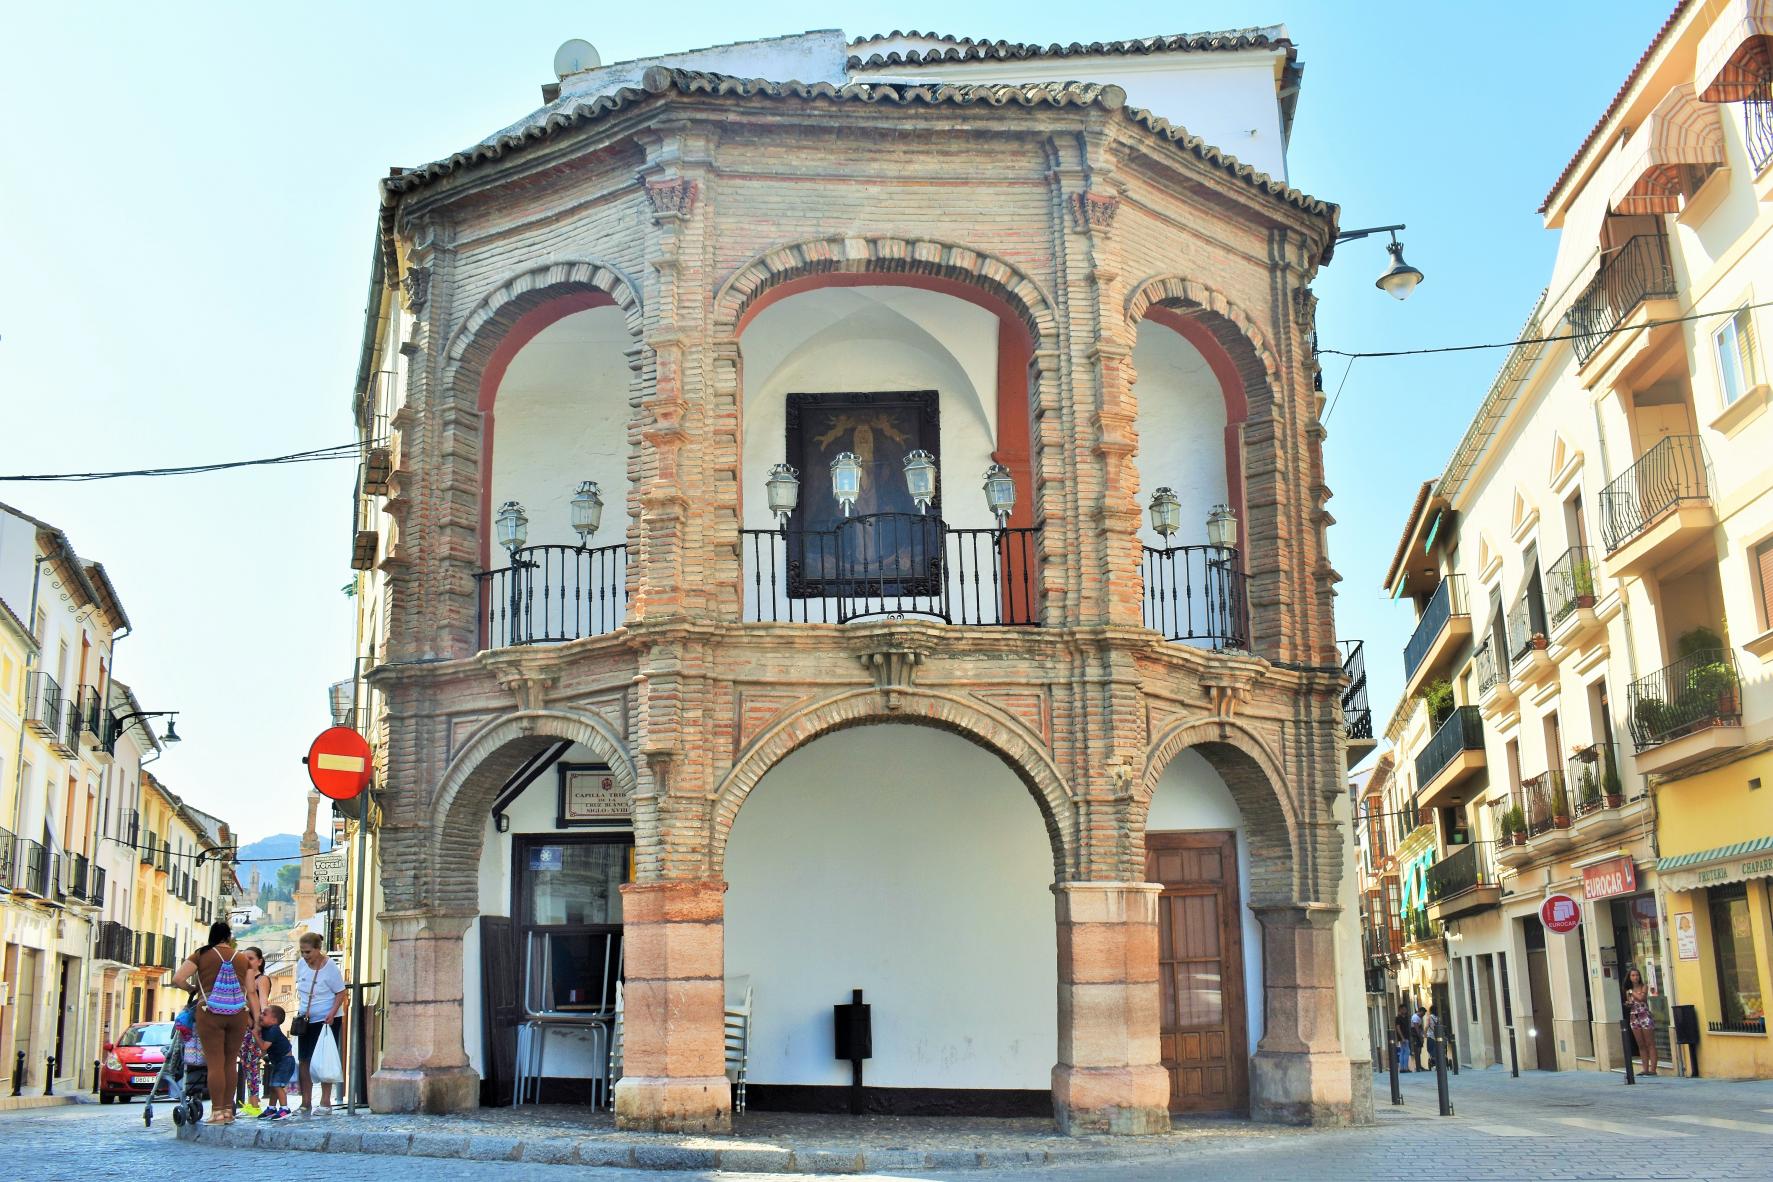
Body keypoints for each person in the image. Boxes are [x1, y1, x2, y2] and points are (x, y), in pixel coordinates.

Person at [170, 921, 259, 1125]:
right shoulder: (242, 958)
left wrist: (193, 989)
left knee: (215, 1063)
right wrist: (255, 1018)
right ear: (228, 937)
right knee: (230, 1062)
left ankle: (217, 1112)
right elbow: (251, 991)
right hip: (238, 1012)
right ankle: (228, 1111)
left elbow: (178, 978)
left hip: (209, 1011)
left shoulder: (201, 954)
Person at [294, 932, 347, 1116]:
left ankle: (325, 1101)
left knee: (324, 1059)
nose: (305, 956)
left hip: (326, 1019)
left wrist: (332, 1013)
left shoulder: (330, 967)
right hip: (305, 1019)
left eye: (308, 952)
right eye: (302, 952)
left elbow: (341, 992)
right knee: (304, 1059)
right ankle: (305, 1101)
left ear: (317, 949)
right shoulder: (301, 965)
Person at [236, 946, 270, 1115]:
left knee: (251, 1065)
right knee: (246, 1065)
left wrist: (259, 1024)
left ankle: (254, 1104)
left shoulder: (261, 979)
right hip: (243, 1026)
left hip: (253, 1026)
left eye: (250, 958)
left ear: (259, 961)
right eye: (244, 958)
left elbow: (263, 1001)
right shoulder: (242, 979)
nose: (247, 961)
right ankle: (252, 1103)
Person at [256, 1005, 295, 1120]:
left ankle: (285, 1109)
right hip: (279, 1061)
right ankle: (272, 1108)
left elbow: (264, 1046)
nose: (261, 1016)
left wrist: (255, 1034)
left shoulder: (274, 1030)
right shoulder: (267, 1029)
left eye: (264, 1014)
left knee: (277, 1085)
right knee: (273, 1086)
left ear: (274, 1020)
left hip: (286, 1061)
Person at [1624, 967, 1658, 1076]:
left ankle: (1653, 1069)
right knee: (1641, 1044)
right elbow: (1631, 1003)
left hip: (1645, 1015)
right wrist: (1628, 1003)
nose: (1635, 977)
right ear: (1629, 978)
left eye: (1637, 975)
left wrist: (1632, 992)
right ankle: (1645, 1069)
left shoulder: (1644, 987)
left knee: (1650, 1043)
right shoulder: (1628, 991)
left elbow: (1641, 998)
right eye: (1633, 975)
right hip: (1634, 1017)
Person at [1394, 1003, 1414, 1073]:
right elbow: (1398, 1028)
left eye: (1405, 1009)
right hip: (1403, 1037)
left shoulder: (1405, 1018)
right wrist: (1402, 1037)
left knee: (1402, 1052)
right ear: (1400, 1010)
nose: (1405, 1010)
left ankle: (1402, 1068)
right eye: (1403, 1009)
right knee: (1407, 1052)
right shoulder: (1398, 1018)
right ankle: (1405, 1068)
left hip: (1406, 1036)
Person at [1424, 1004, 1441, 1069]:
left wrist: (1425, 1034)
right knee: (1436, 1049)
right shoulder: (1438, 1018)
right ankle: (1438, 1062)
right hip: (1437, 1036)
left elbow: (1427, 1026)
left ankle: (1434, 1061)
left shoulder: (1429, 1017)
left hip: (1430, 1036)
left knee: (1430, 1049)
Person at [1410, 1005, 1427, 1072]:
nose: (1423, 1015)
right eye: (1423, 1013)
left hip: (1418, 1035)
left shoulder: (1419, 1018)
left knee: (1419, 1051)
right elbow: (1416, 1028)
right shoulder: (1415, 1017)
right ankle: (1418, 1066)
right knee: (1417, 1051)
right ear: (1420, 1011)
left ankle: (1419, 1065)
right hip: (1415, 1036)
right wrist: (1420, 1037)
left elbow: (1420, 1028)